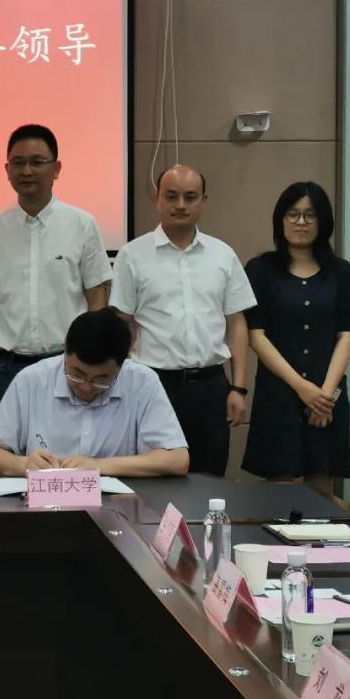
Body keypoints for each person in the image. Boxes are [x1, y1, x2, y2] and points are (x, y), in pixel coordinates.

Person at [111, 164, 256, 476]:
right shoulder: (132, 255)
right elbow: (121, 323)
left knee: (210, 478)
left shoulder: (222, 254)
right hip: (153, 384)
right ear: (157, 199)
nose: (180, 205)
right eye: (171, 196)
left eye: (190, 197)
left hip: (211, 386)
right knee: (153, 478)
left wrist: (239, 388)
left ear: (203, 200)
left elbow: (236, 323)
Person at [0, 124, 112, 403]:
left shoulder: (82, 224)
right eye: (18, 163)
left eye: (37, 162)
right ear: (7, 170)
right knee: (14, 435)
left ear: (56, 169)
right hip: (10, 367)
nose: (27, 171)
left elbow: (97, 296)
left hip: (69, 365)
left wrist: (90, 359)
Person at [241, 182, 350, 491]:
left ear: (323, 222)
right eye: (292, 214)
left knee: (321, 491)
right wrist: (302, 387)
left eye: (310, 215)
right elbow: (255, 335)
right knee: (278, 493)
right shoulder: (260, 269)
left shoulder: (341, 272)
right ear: (280, 220)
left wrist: (324, 397)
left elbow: (347, 335)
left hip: (327, 395)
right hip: (278, 395)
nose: (301, 222)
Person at [0, 309, 188, 476]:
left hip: (120, 505)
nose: (86, 386)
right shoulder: (31, 380)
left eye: (101, 379)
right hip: (45, 504)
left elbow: (177, 460)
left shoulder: (142, 382)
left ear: (122, 365)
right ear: (65, 351)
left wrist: (99, 466)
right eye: (77, 374)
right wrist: (24, 464)